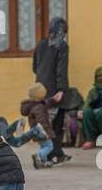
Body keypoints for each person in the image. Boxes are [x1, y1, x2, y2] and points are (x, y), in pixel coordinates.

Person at [32, 17, 79, 160]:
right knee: (56, 124)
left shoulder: (41, 44)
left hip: (40, 90)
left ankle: (56, 152)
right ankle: (53, 153)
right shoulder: (62, 46)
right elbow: (61, 70)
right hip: (54, 90)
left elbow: (34, 67)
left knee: (46, 122)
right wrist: (61, 90)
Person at [14, 82, 66, 169]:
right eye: (43, 94)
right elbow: (43, 121)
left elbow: (45, 103)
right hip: (42, 131)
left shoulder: (35, 105)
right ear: (39, 95)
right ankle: (39, 156)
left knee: (43, 145)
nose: (45, 95)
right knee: (49, 146)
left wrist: (53, 100)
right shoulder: (39, 107)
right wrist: (48, 132)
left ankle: (43, 161)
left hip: (36, 131)